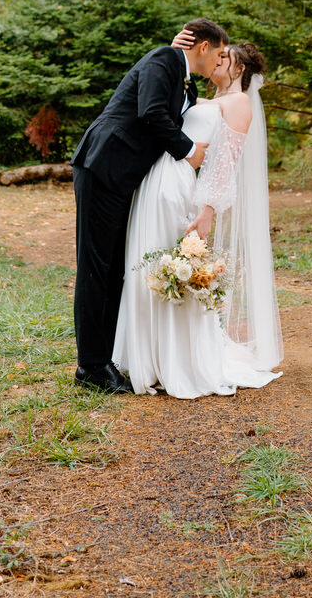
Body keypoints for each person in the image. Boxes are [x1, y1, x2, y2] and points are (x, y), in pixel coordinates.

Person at [112, 38, 283, 399]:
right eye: (218, 54)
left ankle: (180, 358)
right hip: (158, 182)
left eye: (227, 57)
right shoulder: (204, 100)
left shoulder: (238, 104)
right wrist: (177, 49)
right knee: (149, 264)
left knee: (172, 266)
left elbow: (225, 165)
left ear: (240, 69)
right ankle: (149, 355)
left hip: (183, 190)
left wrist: (207, 211)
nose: (218, 60)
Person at [71, 19, 230, 394]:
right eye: (219, 53)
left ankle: (103, 359)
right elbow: (152, 112)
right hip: (103, 166)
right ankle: (90, 367)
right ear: (203, 47)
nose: (220, 62)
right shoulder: (163, 59)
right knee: (96, 267)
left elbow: (171, 107)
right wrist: (191, 153)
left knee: (113, 270)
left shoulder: (177, 69)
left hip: (122, 177)